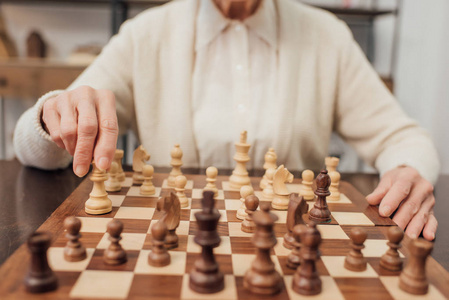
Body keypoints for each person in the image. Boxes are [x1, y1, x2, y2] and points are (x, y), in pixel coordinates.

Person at [13, 0, 439, 241]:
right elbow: (32, 145)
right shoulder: (146, 35)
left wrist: (409, 170)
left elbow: (402, 136)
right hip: (176, 242)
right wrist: (55, 117)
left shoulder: (326, 35)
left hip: (292, 246)